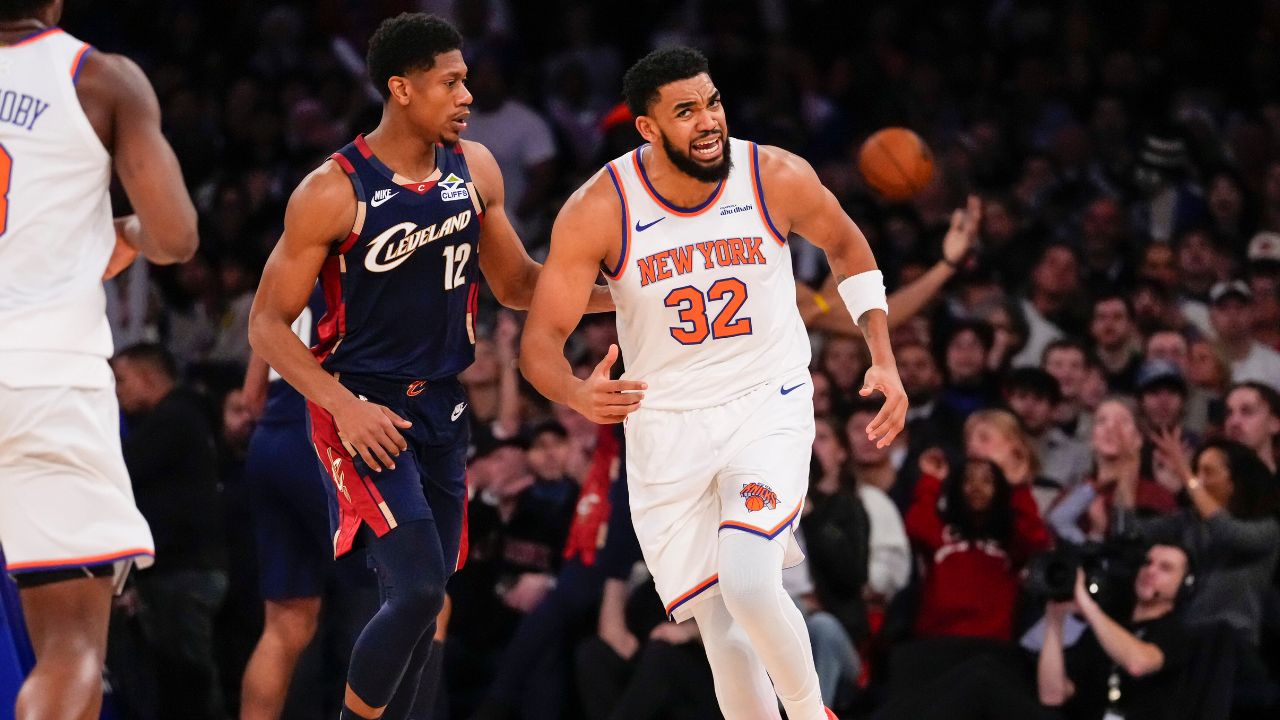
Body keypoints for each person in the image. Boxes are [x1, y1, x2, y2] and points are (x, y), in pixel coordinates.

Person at [520, 46, 918, 720]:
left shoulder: (773, 174)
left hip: (766, 403)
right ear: (647, 128)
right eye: (685, 111)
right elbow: (539, 346)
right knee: (719, 626)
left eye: (712, 103)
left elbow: (848, 248)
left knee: (750, 583)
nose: (708, 121)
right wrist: (575, 393)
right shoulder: (599, 208)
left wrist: (883, 354)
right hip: (666, 426)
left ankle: (811, 713)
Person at [246, 14, 611, 720]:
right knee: (414, 591)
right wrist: (343, 406)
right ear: (402, 89)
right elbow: (266, 323)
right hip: (365, 407)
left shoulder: (475, 168)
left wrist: (623, 295)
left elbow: (519, 284)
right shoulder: (333, 190)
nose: (467, 95)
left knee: (428, 598)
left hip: (443, 402)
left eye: (466, 80)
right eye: (451, 82)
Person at [0, 0, 198, 717]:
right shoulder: (98, 78)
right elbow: (176, 236)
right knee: (71, 646)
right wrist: (120, 232)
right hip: (44, 373)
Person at [111, 343, 228, 720]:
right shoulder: (193, 415)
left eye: (122, 380)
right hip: (194, 569)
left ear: (148, 377)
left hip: (182, 572)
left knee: (187, 683)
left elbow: (121, 471)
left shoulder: (173, 419)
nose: (117, 391)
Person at [1036, 544, 1192, 720]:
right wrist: (1054, 620)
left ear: (1184, 584)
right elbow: (1052, 695)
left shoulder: (1176, 632)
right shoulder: (1107, 626)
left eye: (1165, 568)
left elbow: (1137, 664)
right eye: (1147, 563)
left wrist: (1087, 604)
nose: (1150, 571)